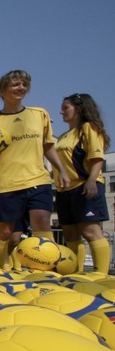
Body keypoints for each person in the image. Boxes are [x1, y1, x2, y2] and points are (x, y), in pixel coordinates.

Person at [0, 70, 70, 268]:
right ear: (2, 90)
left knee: (42, 222)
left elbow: (48, 146)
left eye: (24, 85)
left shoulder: (39, 114)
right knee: (7, 233)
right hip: (6, 184)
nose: (21, 88)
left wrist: (61, 170)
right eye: (16, 84)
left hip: (38, 178)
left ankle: (47, 270)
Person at [54, 93, 111, 274]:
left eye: (65, 108)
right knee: (70, 234)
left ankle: (101, 275)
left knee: (90, 231)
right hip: (64, 190)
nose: (61, 112)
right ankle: (74, 274)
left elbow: (97, 158)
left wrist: (92, 181)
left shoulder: (88, 128)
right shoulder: (63, 136)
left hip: (84, 185)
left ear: (78, 109)